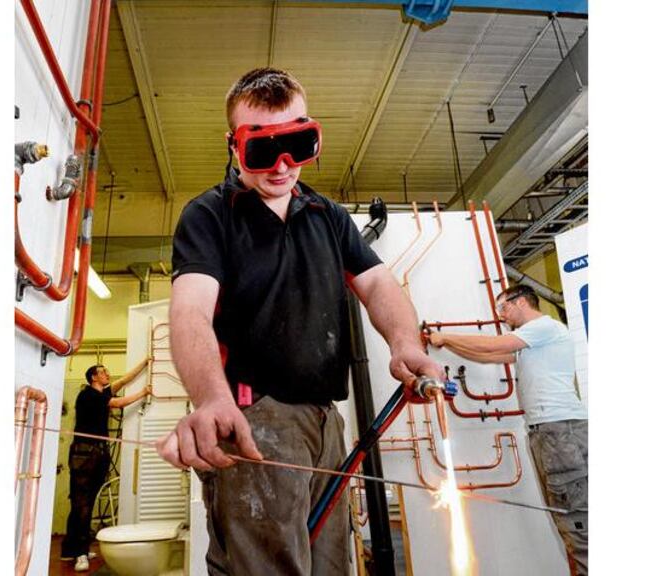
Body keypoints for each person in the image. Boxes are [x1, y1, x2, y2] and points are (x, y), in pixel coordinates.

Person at [155, 67, 443, 575]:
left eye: (297, 145)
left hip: (325, 420)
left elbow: (379, 284)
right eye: (263, 151)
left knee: (331, 565)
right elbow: (190, 310)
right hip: (255, 419)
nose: (283, 166)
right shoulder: (210, 215)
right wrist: (214, 398)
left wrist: (405, 344)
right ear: (234, 145)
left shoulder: (327, 215)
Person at [428, 284, 588, 575]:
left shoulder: (543, 327)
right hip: (549, 433)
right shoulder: (531, 344)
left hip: (559, 431)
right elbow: (487, 356)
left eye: (503, 307)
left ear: (521, 302)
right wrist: (445, 344)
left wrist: (446, 336)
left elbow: (493, 346)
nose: (501, 315)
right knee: (567, 517)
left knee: (576, 520)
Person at [61, 359, 152, 572]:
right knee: (82, 504)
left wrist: (145, 363)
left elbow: (124, 380)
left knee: (85, 503)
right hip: (85, 455)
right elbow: (119, 403)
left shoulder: (101, 394)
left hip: (97, 453)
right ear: (94, 377)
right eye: (103, 372)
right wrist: (144, 393)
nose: (107, 374)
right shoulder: (88, 395)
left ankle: (71, 549)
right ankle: (80, 553)